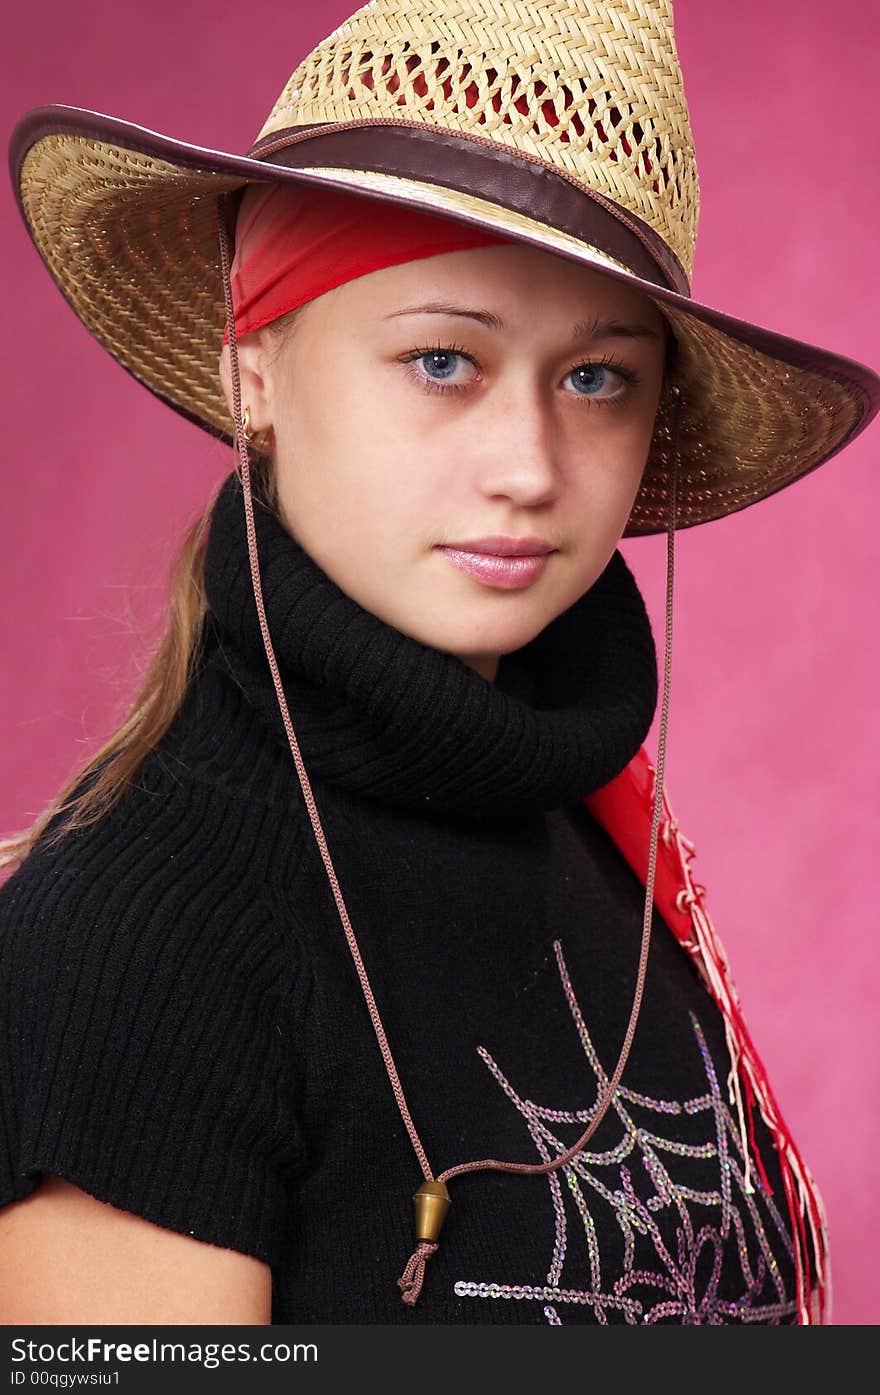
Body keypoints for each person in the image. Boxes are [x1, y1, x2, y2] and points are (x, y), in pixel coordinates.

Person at [0, 0, 877, 1327]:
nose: (528, 467)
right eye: (443, 361)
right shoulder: (128, 939)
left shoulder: (610, 843)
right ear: (256, 374)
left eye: (598, 380)